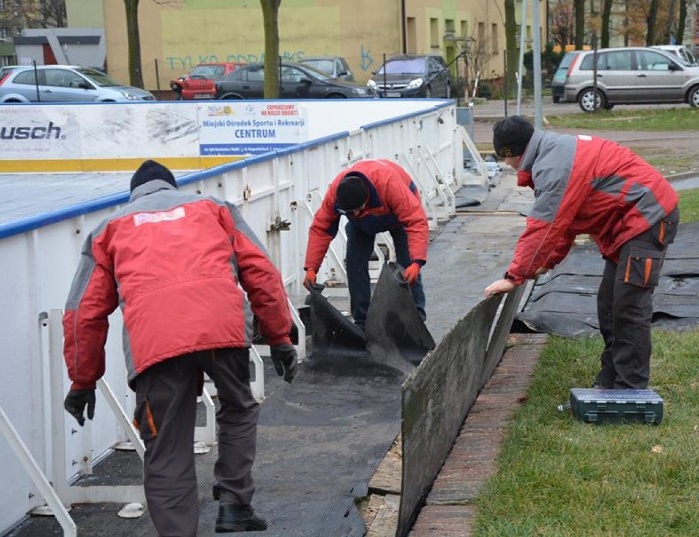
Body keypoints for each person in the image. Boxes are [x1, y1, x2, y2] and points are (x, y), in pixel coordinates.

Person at [62, 160, 298, 535]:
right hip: (221, 325)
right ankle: (235, 504)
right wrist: (280, 336)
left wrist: (83, 380)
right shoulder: (215, 208)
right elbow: (262, 271)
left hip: (156, 344)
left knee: (167, 445)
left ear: (134, 194)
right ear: (172, 186)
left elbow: (82, 314)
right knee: (237, 407)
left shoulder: (107, 230)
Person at [484, 116, 679, 390]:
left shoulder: (553, 166)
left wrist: (515, 276)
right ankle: (611, 378)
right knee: (609, 305)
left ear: (513, 153)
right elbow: (566, 221)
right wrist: (546, 262)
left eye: (505, 158)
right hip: (626, 226)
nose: (506, 164)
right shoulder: (552, 153)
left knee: (628, 307)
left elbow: (543, 225)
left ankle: (630, 388)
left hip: (648, 219)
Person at [303, 159, 429, 331]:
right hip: (361, 224)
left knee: (407, 265)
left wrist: (417, 263)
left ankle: (417, 321)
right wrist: (311, 268)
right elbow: (321, 229)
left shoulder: (389, 185)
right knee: (355, 264)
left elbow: (416, 222)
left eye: (358, 209)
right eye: (350, 212)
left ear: (367, 198)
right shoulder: (336, 194)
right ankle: (361, 322)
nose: (355, 213)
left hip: (399, 217)